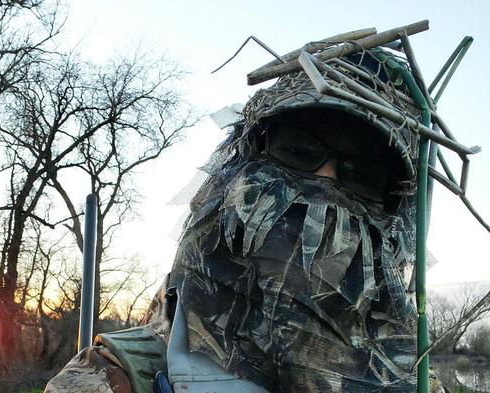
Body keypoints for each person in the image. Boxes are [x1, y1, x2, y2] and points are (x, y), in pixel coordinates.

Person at [45, 46, 446, 393]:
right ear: (236, 172)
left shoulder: (417, 382)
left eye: (364, 175)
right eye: (297, 151)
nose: (324, 187)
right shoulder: (110, 380)